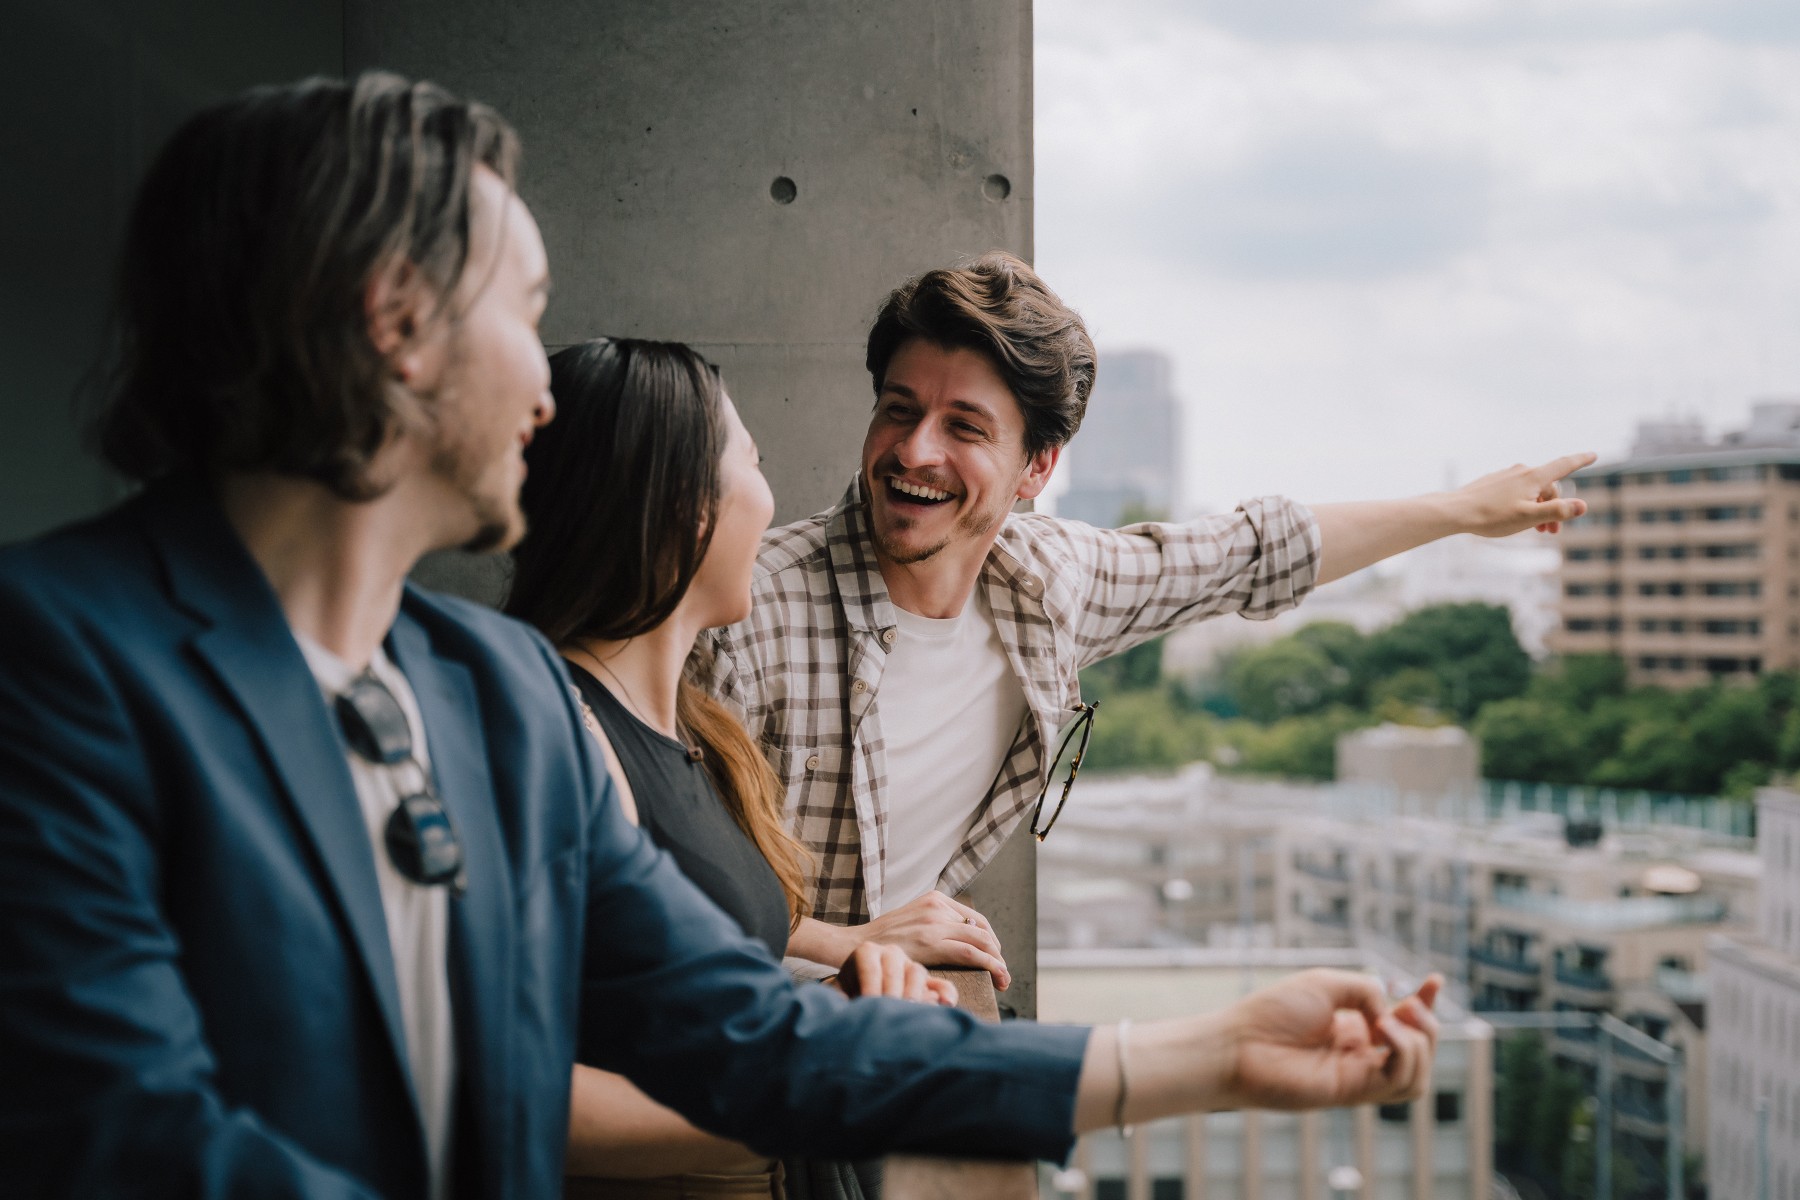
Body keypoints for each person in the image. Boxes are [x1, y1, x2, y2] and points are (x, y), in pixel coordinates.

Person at [0, 73, 1444, 1200]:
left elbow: (757, 1038)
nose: (550, 393)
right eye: (527, 311)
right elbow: (124, 1139)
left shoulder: (494, 695)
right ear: (397, 324)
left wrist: (1199, 1057)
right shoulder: (52, 666)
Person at [693, 251, 1593, 948]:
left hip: (846, 1062)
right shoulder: (746, 616)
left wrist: (1464, 512)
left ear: (1037, 468)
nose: (913, 450)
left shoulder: (1045, 585)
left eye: (964, 427)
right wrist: (852, 943)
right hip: (709, 1067)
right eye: (898, 409)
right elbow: (648, 877)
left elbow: (1254, 552)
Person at [505, 337, 953, 1198]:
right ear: (685, 504)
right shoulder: (566, 737)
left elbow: (682, 978)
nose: (771, 496)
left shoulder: (688, 733)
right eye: (751, 460)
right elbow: (529, 1094)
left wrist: (846, 990)